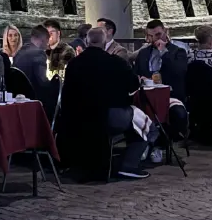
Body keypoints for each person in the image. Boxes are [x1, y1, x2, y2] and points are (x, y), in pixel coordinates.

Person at [58, 27, 149, 180]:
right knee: (143, 122)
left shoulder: (74, 64)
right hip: (109, 116)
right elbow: (133, 86)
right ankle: (129, 165)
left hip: (79, 118)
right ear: (105, 41)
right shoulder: (116, 62)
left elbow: (67, 94)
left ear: (87, 41)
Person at [133, 20, 190, 98]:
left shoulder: (178, 51)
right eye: (150, 36)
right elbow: (135, 73)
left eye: (158, 34)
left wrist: (163, 52)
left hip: (170, 94)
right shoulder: (143, 53)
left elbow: (179, 72)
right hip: (147, 94)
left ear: (165, 32)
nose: (154, 39)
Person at [13, 25, 54, 104]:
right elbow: (43, 82)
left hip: (18, 98)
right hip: (34, 99)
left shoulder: (19, 52)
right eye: (47, 40)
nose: (47, 44)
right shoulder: (39, 53)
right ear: (43, 40)